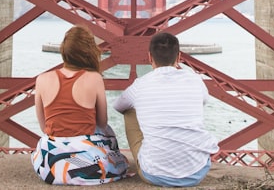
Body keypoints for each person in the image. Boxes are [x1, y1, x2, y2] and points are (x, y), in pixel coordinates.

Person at [112, 32, 218, 187]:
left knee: (129, 110)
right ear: (179, 56)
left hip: (153, 175)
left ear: (149, 57)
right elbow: (204, 100)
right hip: (197, 173)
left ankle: (153, 156)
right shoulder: (195, 79)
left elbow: (118, 106)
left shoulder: (140, 84)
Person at [32, 26, 129, 185]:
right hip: (87, 158)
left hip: (50, 163)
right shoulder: (94, 78)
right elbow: (102, 122)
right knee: (111, 143)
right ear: (89, 52)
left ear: (64, 50)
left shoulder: (42, 79)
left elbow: (44, 127)